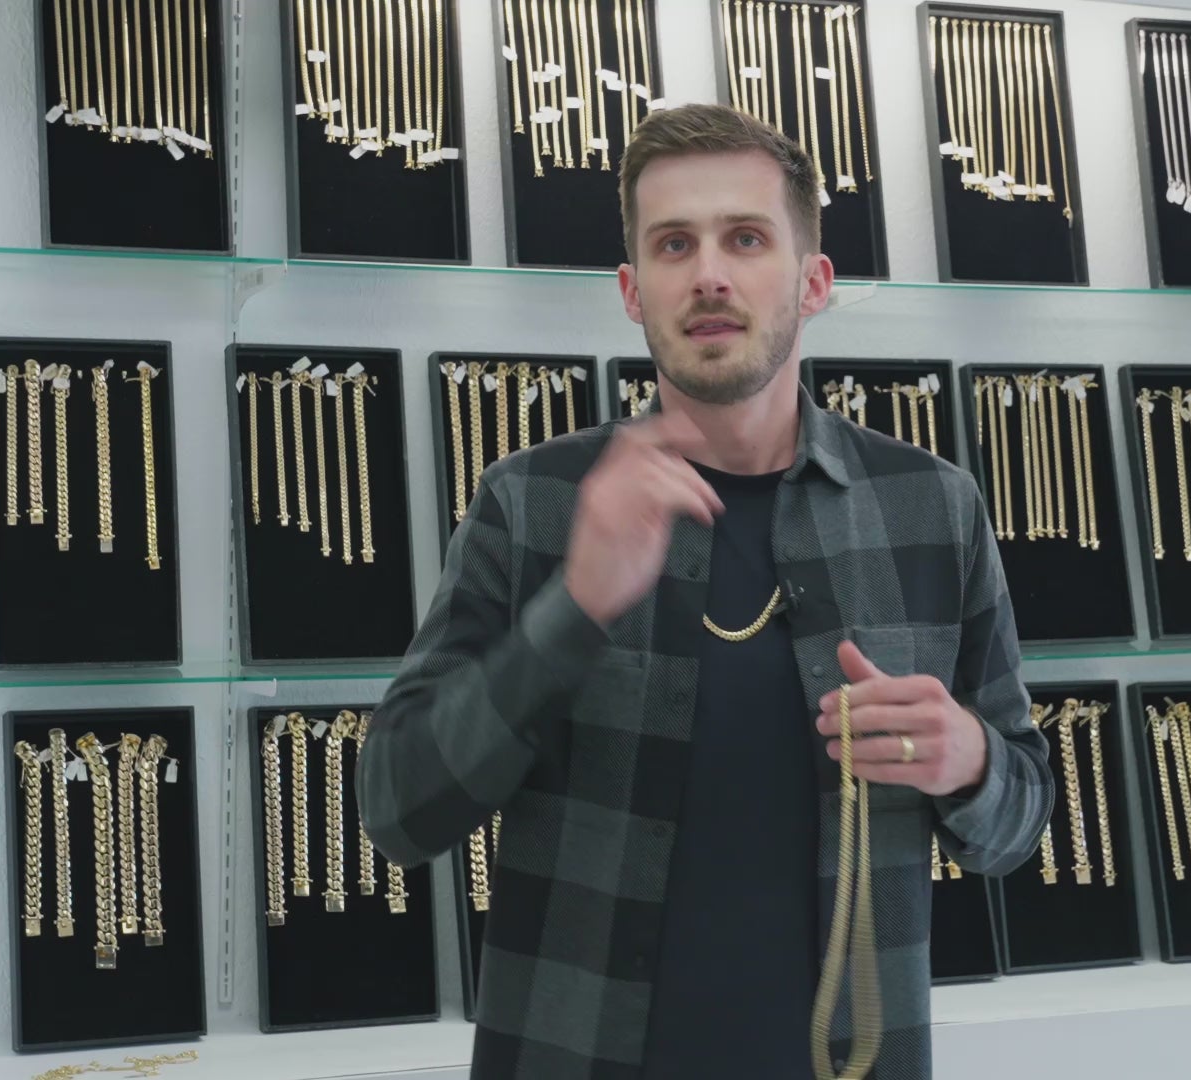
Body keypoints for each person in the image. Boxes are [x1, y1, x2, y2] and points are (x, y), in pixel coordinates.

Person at [359, 103, 1052, 1080]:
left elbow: (1020, 820)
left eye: (747, 238)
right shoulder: (533, 503)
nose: (710, 275)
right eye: (674, 244)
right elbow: (398, 811)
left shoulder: (932, 505)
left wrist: (970, 761)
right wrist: (572, 611)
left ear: (813, 282)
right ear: (632, 289)